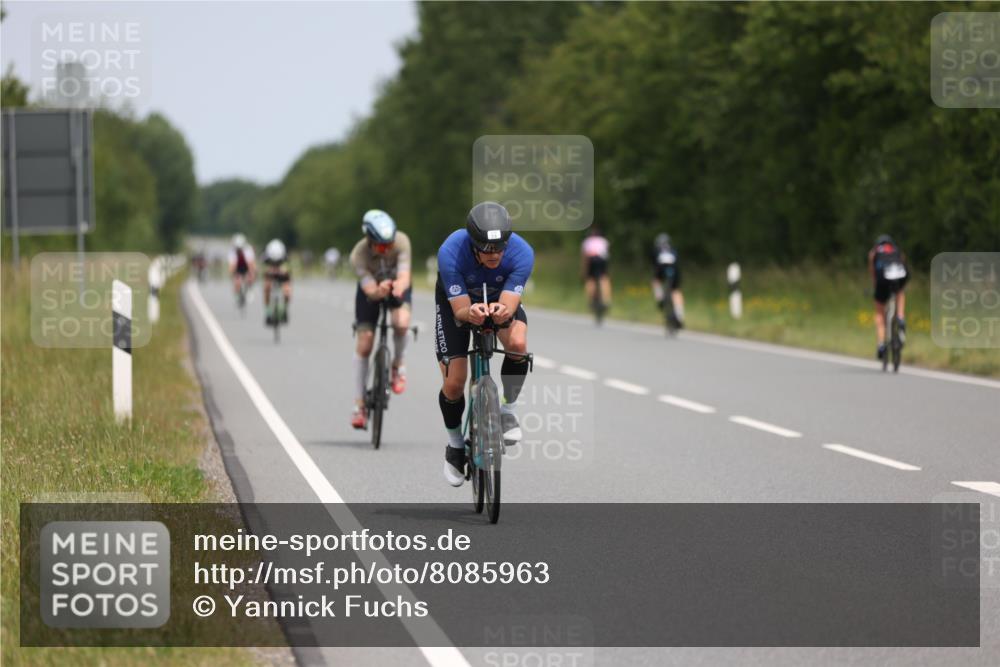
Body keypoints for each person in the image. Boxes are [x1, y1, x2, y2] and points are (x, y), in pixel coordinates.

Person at [435, 201, 534, 487]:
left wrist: (503, 311)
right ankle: (455, 446)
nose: (495, 255)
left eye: (500, 248)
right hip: (458, 302)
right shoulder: (451, 251)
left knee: (517, 342)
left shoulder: (522, 252)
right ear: (473, 243)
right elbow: (460, 310)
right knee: (454, 382)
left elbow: (510, 303)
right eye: (488, 250)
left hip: (497, 296)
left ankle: (507, 412)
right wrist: (471, 313)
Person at [349, 210, 413, 429]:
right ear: (369, 240)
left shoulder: (402, 241)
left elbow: (405, 275)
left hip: (396, 287)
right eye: (381, 246)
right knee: (365, 341)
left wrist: (397, 287)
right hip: (371, 291)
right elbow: (369, 289)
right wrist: (379, 291)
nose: (386, 249)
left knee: (402, 322)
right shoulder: (358, 254)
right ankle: (359, 404)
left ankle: (398, 364)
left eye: (389, 244)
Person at [868, 233, 908, 360]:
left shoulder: (874, 252)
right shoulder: (896, 250)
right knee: (900, 292)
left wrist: (876, 288)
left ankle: (881, 344)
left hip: (882, 279)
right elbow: (903, 264)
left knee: (879, 313)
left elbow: (873, 273)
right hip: (899, 276)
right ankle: (900, 317)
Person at [651, 233, 684, 329]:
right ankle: (680, 315)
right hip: (674, 270)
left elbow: (654, 263)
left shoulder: (656, 250)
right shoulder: (673, 249)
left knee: (656, 281)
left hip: (661, 268)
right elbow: (678, 261)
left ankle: (660, 298)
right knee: (676, 291)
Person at [580, 227, 611, 316]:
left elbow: (584, 258)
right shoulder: (604, 240)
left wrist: (583, 271)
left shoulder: (586, 242)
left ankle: (590, 301)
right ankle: (606, 300)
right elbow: (607, 255)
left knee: (590, 280)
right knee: (604, 278)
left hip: (591, 259)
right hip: (602, 260)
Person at [262, 239, 292, 325]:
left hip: (282, 275)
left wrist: (283, 271)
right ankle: (267, 312)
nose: (275, 262)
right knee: (267, 288)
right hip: (270, 275)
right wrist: (269, 271)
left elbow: (289, 270)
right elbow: (263, 270)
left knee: (287, 291)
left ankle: (285, 310)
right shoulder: (266, 257)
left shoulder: (285, 256)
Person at [228, 233, 256, 302]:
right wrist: (234, 275)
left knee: (250, 277)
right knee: (237, 281)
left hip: (246, 266)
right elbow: (232, 265)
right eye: (238, 249)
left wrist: (251, 273)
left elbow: (251, 263)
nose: (239, 250)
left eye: (240, 249)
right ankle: (237, 294)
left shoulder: (248, 249)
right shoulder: (232, 251)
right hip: (237, 267)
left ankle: (249, 288)